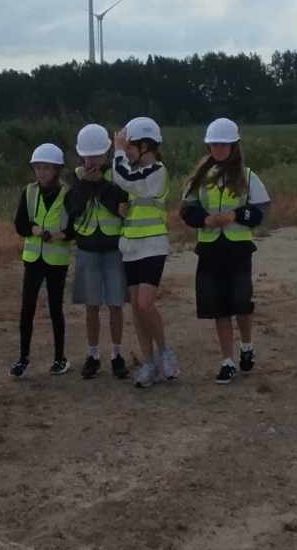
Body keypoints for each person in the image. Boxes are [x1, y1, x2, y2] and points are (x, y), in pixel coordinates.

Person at [179, 118, 271, 385]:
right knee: (218, 307)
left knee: (241, 302)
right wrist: (205, 219)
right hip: (210, 249)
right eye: (214, 144)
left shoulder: (248, 176)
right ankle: (227, 361)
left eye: (223, 144)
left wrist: (235, 215)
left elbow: (260, 211)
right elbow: (187, 209)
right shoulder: (199, 177)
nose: (218, 149)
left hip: (238, 249)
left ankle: (247, 346)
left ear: (233, 146)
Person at [114, 116, 178, 388]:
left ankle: (164, 353)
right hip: (130, 246)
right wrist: (123, 210)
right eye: (126, 147)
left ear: (146, 146)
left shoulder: (157, 171)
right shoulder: (137, 173)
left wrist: (117, 152)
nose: (127, 151)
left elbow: (125, 179)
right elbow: (129, 190)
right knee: (137, 309)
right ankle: (149, 363)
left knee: (144, 304)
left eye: (130, 146)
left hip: (153, 245)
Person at [64, 124, 131, 380]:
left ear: (106, 153)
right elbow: (73, 209)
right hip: (87, 248)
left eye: (97, 155)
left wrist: (99, 185)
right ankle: (92, 355)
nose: (92, 160)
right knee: (91, 306)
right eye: (88, 156)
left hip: (114, 248)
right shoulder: (76, 178)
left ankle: (116, 355)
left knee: (115, 305)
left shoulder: (117, 174)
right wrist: (86, 185)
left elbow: (120, 205)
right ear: (81, 155)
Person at [10, 143, 71, 377]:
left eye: (46, 168)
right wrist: (34, 230)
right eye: (38, 168)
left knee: (56, 309)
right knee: (27, 309)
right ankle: (22, 358)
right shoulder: (29, 192)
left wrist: (59, 235)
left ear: (56, 169)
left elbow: (74, 227)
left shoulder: (67, 194)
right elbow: (20, 224)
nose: (41, 172)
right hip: (33, 259)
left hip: (57, 260)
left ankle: (60, 358)